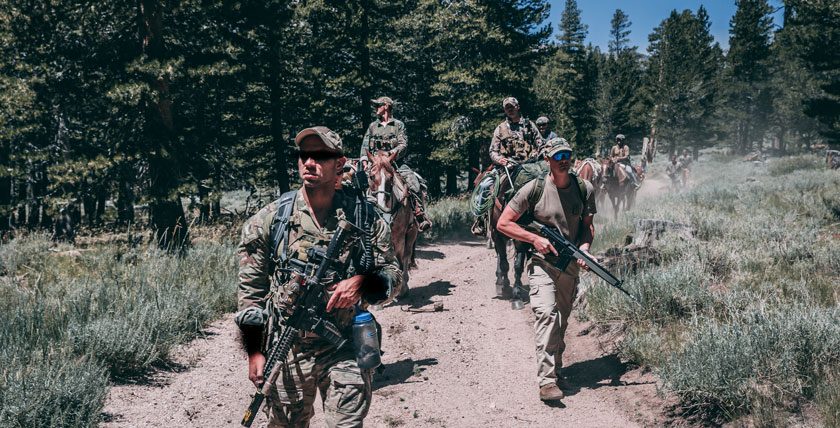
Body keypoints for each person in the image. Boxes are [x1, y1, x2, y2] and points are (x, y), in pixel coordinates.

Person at [235, 126, 402, 428]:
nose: (309, 162)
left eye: (321, 156)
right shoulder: (269, 221)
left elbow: (393, 275)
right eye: (304, 155)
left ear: (339, 164)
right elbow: (250, 294)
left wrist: (363, 284)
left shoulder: (363, 217)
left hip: (344, 347)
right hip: (288, 349)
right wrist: (255, 350)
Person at [496, 138, 597, 402]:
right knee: (546, 315)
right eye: (558, 155)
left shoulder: (584, 189)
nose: (564, 159)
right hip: (542, 264)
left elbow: (587, 225)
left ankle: (558, 368)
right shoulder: (534, 189)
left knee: (561, 321)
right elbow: (504, 224)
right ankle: (547, 381)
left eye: (567, 154)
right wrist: (534, 239)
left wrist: (585, 247)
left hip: (570, 266)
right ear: (547, 160)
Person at [360, 96, 432, 231]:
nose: (376, 108)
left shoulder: (398, 125)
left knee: (414, 183)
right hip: (375, 164)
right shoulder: (372, 126)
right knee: (357, 184)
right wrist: (364, 160)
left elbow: (403, 144)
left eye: (378, 105)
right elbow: (365, 145)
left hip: (395, 163)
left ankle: (419, 214)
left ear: (386, 106)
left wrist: (390, 154)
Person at [489, 97, 545, 167]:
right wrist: (499, 160)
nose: (510, 109)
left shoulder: (529, 126)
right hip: (509, 167)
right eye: (507, 108)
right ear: (505, 110)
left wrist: (538, 158)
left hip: (531, 165)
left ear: (517, 107)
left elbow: (541, 145)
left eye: (512, 106)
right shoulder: (500, 129)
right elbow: (493, 151)